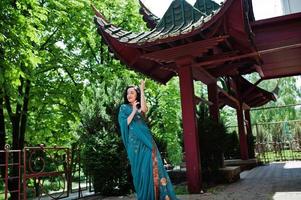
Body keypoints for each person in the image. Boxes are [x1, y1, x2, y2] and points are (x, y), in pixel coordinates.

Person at [118, 80, 178, 200]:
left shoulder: (140, 108)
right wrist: (134, 110)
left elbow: (145, 109)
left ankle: (158, 195)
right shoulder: (123, 108)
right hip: (134, 146)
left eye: (133, 93)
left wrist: (142, 89)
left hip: (146, 141)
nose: (129, 95)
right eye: (128, 93)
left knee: (154, 165)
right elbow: (125, 123)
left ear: (137, 95)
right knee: (140, 171)